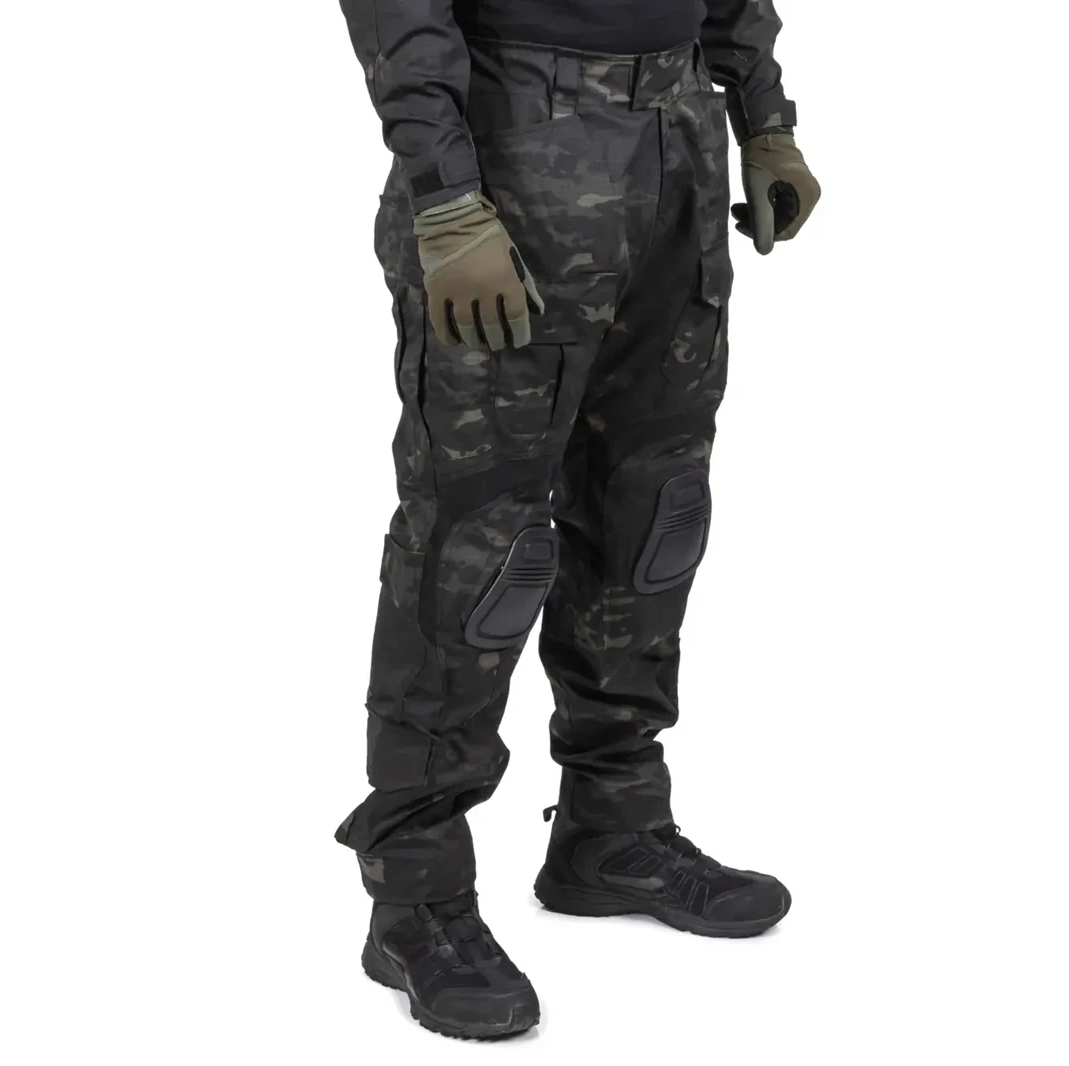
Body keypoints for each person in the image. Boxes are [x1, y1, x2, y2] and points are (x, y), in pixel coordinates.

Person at [333, 0, 821, 1039]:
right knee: (478, 544)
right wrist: (445, 199)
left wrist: (764, 116)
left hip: (678, 140)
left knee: (653, 509)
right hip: (514, 146)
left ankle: (613, 824)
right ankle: (415, 890)